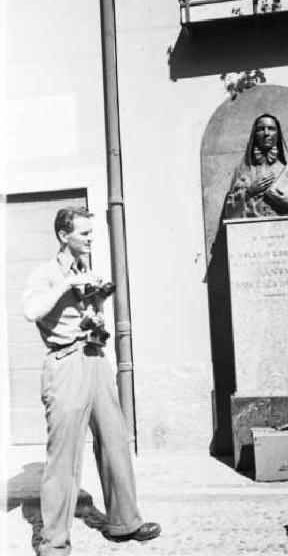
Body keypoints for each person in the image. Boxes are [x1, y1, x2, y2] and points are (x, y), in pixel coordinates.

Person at [22, 206, 161, 556]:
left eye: (91, 233)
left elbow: (91, 316)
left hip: (96, 359)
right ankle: (53, 543)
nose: (90, 239)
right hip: (66, 363)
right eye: (84, 233)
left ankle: (124, 522)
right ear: (63, 236)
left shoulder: (87, 270)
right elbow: (31, 310)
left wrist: (98, 299)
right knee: (64, 458)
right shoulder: (45, 273)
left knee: (115, 442)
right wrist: (68, 284)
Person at [224, 113, 288, 218]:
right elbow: (229, 213)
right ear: (254, 134)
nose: (266, 133)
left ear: (278, 134)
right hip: (251, 230)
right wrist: (249, 192)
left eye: (271, 129)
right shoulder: (242, 170)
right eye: (261, 129)